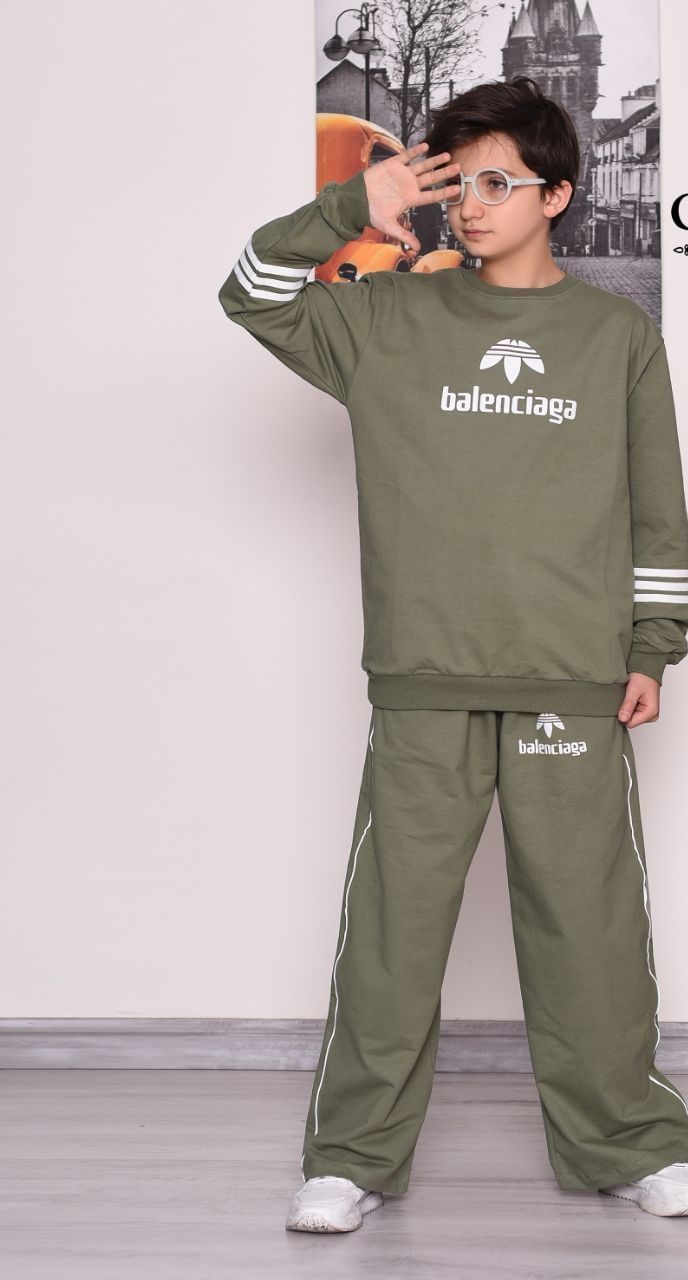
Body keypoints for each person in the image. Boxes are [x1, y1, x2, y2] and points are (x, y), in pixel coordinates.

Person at [218, 76, 688, 1230]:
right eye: (456, 182)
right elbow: (249, 290)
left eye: (496, 182)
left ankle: (628, 1140)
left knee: (588, 929)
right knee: (395, 928)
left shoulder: (616, 338)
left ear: (555, 195)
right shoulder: (384, 320)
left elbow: (656, 514)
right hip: (424, 678)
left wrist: (652, 646)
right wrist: (350, 207)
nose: (470, 204)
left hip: (572, 681)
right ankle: (351, 1155)